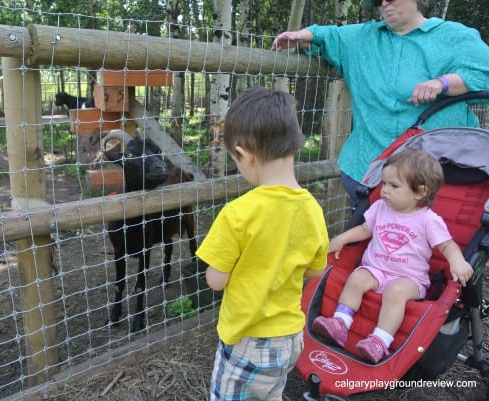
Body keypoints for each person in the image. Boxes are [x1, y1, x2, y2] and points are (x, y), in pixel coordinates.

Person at [271, 0, 489, 210]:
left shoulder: (455, 36)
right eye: (377, 0)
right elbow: (327, 35)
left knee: (433, 240)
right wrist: (298, 36)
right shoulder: (362, 37)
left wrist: (443, 83)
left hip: (437, 175)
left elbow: (484, 74)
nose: (384, 4)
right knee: (374, 240)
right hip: (368, 171)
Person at [195, 87, 329, 400]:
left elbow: (215, 280)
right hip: (290, 339)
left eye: (235, 161)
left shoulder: (238, 213)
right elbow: (314, 271)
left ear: (244, 154)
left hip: (248, 340)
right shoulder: (312, 208)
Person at [312, 149, 473, 363]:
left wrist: (457, 260)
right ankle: (340, 324)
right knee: (357, 278)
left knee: (395, 292)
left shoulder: (427, 220)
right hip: (376, 269)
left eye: (394, 186)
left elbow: (447, 245)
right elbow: (364, 229)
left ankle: (379, 341)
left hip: (410, 279)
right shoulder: (380, 207)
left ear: (420, 192)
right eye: (384, 183)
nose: (385, 191)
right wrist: (341, 239)